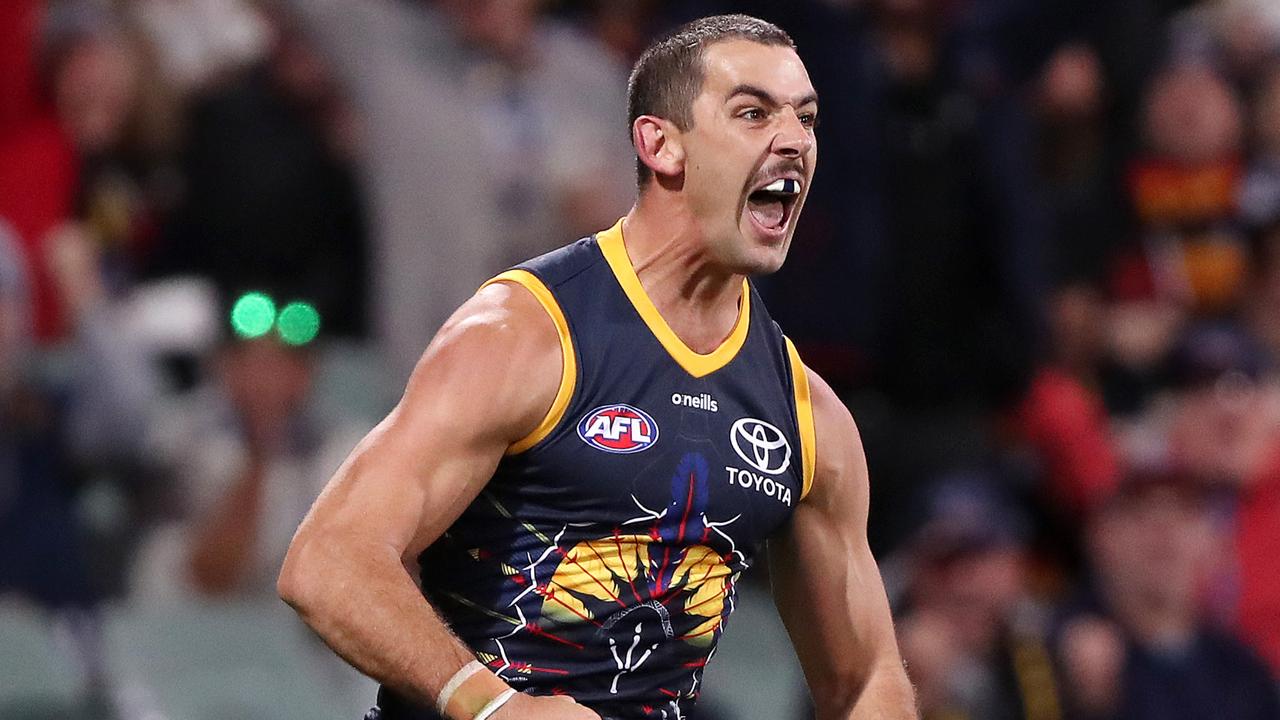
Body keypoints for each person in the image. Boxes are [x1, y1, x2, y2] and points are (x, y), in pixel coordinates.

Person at [278, 14, 917, 720]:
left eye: (807, 117)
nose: (794, 139)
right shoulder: (524, 335)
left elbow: (864, 678)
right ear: (661, 144)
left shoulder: (806, 412)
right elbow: (329, 561)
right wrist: (495, 709)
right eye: (753, 112)